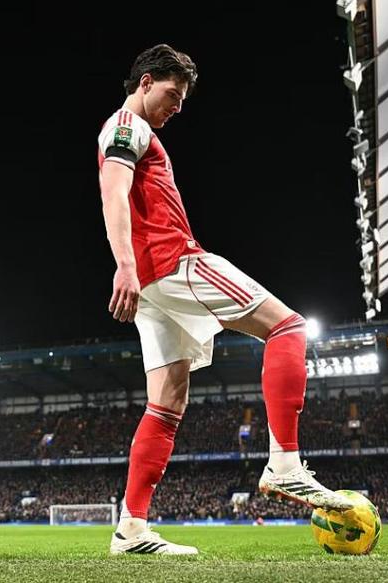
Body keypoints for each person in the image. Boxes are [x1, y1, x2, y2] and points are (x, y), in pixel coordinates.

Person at [97, 43, 353, 555]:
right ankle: (285, 462)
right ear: (146, 82)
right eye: (173, 93)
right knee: (289, 327)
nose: (178, 106)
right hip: (173, 263)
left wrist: (132, 267)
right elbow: (114, 189)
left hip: (152, 284)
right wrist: (124, 264)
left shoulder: (135, 130)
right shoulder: (127, 126)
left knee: (166, 402)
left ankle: (131, 529)